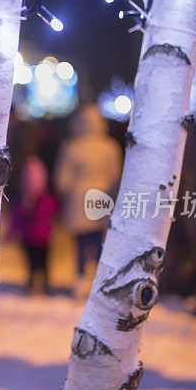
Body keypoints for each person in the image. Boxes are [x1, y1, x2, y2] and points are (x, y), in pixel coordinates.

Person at [54, 103, 122, 298]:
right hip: (103, 198)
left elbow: (63, 180)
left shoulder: (72, 147)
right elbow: (116, 176)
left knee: (81, 243)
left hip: (79, 199)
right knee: (101, 242)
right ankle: (103, 281)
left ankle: (80, 280)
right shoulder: (111, 147)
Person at [8, 155, 59, 295]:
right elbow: (16, 218)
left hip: (44, 240)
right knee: (31, 264)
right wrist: (11, 233)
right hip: (28, 239)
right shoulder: (22, 201)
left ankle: (46, 285)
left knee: (43, 264)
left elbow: (55, 212)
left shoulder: (46, 199)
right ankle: (31, 283)